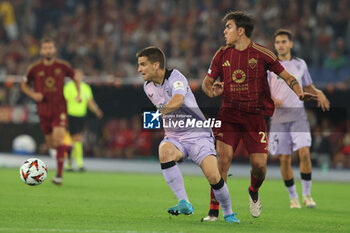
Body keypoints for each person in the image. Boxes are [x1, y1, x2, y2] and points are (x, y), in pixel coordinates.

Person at [201, 11, 316, 220]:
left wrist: (300, 93)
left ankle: (253, 191)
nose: (224, 31)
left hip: (255, 118)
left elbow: (288, 76)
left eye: (228, 27)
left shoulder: (263, 54)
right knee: (223, 161)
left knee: (260, 167)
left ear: (241, 31)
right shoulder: (222, 54)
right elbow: (206, 83)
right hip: (228, 115)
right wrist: (212, 90)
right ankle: (214, 211)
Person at [137, 46, 240, 223]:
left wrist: (157, 115)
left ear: (156, 65)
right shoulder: (148, 87)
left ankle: (229, 213)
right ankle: (184, 202)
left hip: (198, 135)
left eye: (142, 64)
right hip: (175, 137)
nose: (139, 69)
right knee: (164, 151)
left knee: (214, 177)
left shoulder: (176, 77)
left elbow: (178, 100)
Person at [268, 29, 330, 209]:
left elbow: (308, 86)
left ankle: (307, 195)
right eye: (278, 42)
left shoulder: (300, 64)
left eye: (284, 41)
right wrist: (271, 100)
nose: (281, 45)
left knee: (304, 152)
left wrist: (320, 93)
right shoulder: (270, 66)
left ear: (291, 44)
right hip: (278, 119)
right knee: (285, 159)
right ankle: (293, 197)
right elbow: (263, 91)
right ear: (275, 45)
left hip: (298, 117)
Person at [21, 37, 81, 185]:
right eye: (45, 48)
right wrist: (33, 95)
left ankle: (59, 176)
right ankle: (69, 148)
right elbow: (24, 84)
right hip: (43, 110)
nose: (48, 50)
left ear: (54, 50)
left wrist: (78, 93)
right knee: (53, 144)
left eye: (50, 48)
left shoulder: (63, 66)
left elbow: (76, 78)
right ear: (41, 50)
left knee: (58, 139)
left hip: (59, 109)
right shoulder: (35, 68)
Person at [64, 69, 103, 171]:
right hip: (70, 116)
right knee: (76, 139)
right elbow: (63, 102)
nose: (78, 77)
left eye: (80, 75)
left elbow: (90, 102)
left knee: (75, 140)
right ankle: (80, 164)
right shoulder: (68, 87)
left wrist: (97, 110)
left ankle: (69, 165)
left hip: (81, 117)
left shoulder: (85, 88)